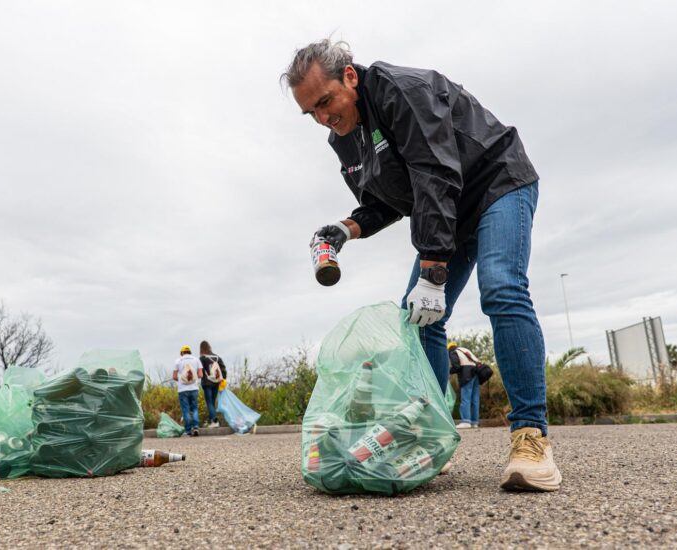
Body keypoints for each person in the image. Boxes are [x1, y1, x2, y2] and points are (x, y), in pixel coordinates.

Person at [283, 39, 561, 491]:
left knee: (501, 287)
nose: (322, 118)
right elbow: (387, 201)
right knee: (420, 318)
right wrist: (346, 228)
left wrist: (433, 270)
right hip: (448, 211)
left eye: (325, 102)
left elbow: (434, 172)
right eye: (310, 112)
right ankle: (431, 433)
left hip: (496, 182)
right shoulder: (343, 138)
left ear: (350, 77)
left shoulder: (402, 90)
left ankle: (531, 437)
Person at [448, 342, 481, 429]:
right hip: (476, 373)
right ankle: (474, 422)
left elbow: (456, 366)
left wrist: (448, 372)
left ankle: (466, 421)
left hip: (466, 375)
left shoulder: (453, 352)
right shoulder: (464, 350)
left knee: (465, 398)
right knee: (475, 399)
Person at [173, 345, 203, 436]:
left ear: (182, 353)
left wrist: (182, 380)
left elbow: (174, 377)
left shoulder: (178, 361)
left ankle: (188, 431)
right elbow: (200, 375)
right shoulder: (196, 360)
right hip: (194, 388)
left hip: (182, 389)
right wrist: (192, 379)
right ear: (190, 352)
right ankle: (196, 427)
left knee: (185, 410)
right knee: (194, 408)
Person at [199, 340, 227, 428]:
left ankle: (214, 421)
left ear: (201, 348)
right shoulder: (217, 357)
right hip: (216, 383)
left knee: (209, 402)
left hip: (207, 383)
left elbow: (199, 371)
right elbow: (223, 370)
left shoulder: (202, 358)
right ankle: (211, 420)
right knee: (213, 402)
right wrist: (223, 379)